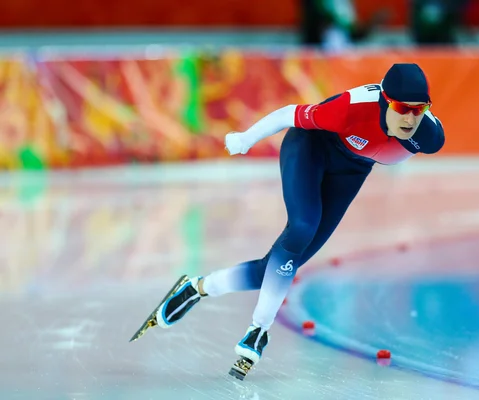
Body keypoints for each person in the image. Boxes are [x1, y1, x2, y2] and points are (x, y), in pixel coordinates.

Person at [129, 63, 445, 380]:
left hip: (351, 171)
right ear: (386, 101)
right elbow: (287, 114)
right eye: (403, 108)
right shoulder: (351, 109)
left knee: (276, 268)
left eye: (419, 110)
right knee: (303, 227)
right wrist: (245, 138)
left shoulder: (428, 136)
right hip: (310, 147)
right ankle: (258, 330)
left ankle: (197, 287)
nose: (410, 118)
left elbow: (418, 130)